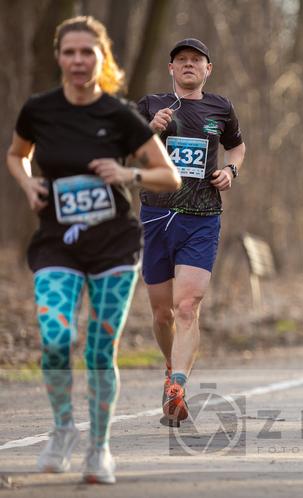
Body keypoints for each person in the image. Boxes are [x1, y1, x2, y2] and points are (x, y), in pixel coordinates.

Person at [6, 16, 180, 483]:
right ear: (59, 57)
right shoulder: (39, 110)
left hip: (113, 248)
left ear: (102, 59)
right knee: (56, 338)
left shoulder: (118, 114)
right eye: (70, 52)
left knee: (101, 351)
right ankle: (63, 429)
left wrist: (128, 175)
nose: (78, 61)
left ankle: (99, 448)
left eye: (88, 53)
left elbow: (170, 176)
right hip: (56, 244)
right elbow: (15, 153)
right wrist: (27, 184)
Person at [136, 38, 246, 427]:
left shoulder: (221, 108)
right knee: (162, 312)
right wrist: (151, 129)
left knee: (187, 306)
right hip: (156, 214)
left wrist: (230, 172)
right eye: (181, 60)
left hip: (202, 216)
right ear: (171, 69)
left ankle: (178, 386)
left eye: (196, 60)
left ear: (207, 69)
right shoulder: (150, 105)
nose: (188, 65)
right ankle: (171, 366)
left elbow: (237, 147)